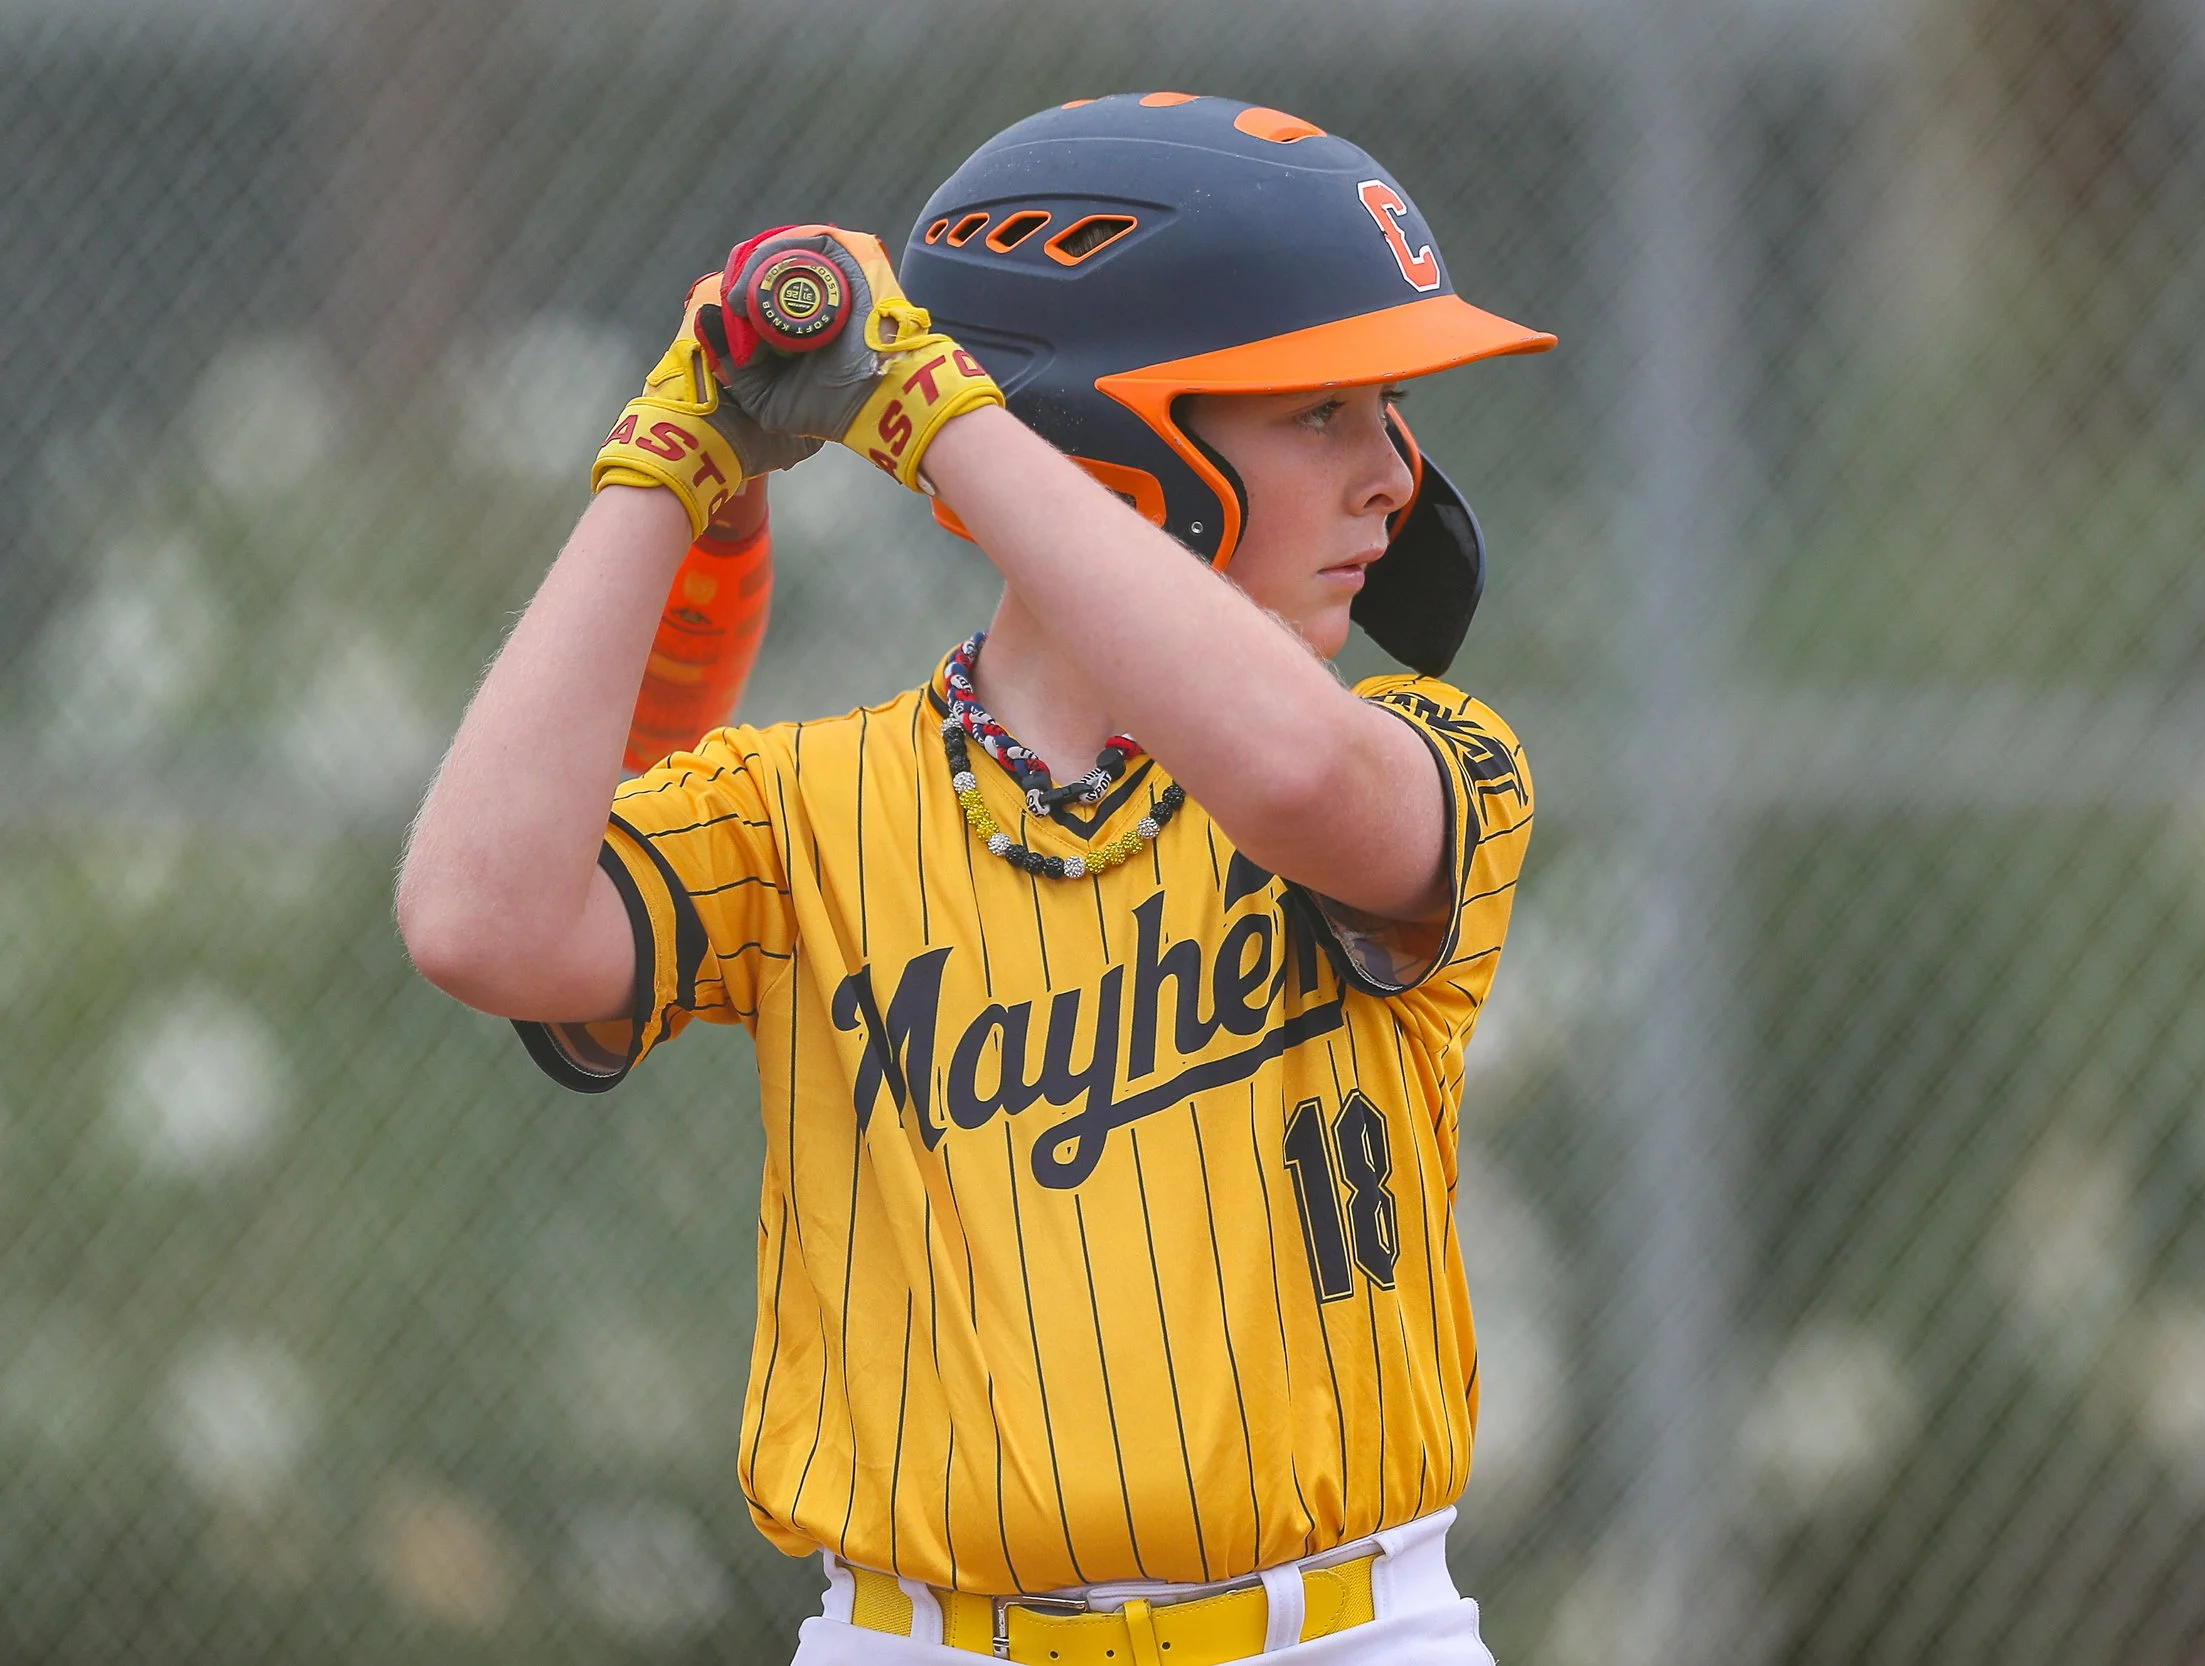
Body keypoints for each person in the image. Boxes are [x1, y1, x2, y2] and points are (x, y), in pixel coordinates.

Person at [397, 91, 1553, 1666]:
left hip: (1344, 1634)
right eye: (1321, 414)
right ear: (1120, 443)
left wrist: (939, 421)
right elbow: (477, 918)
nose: (1394, 476)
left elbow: (1292, 779)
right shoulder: (798, 812)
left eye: (1388, 410)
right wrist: (672, 460)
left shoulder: (1426, 758)